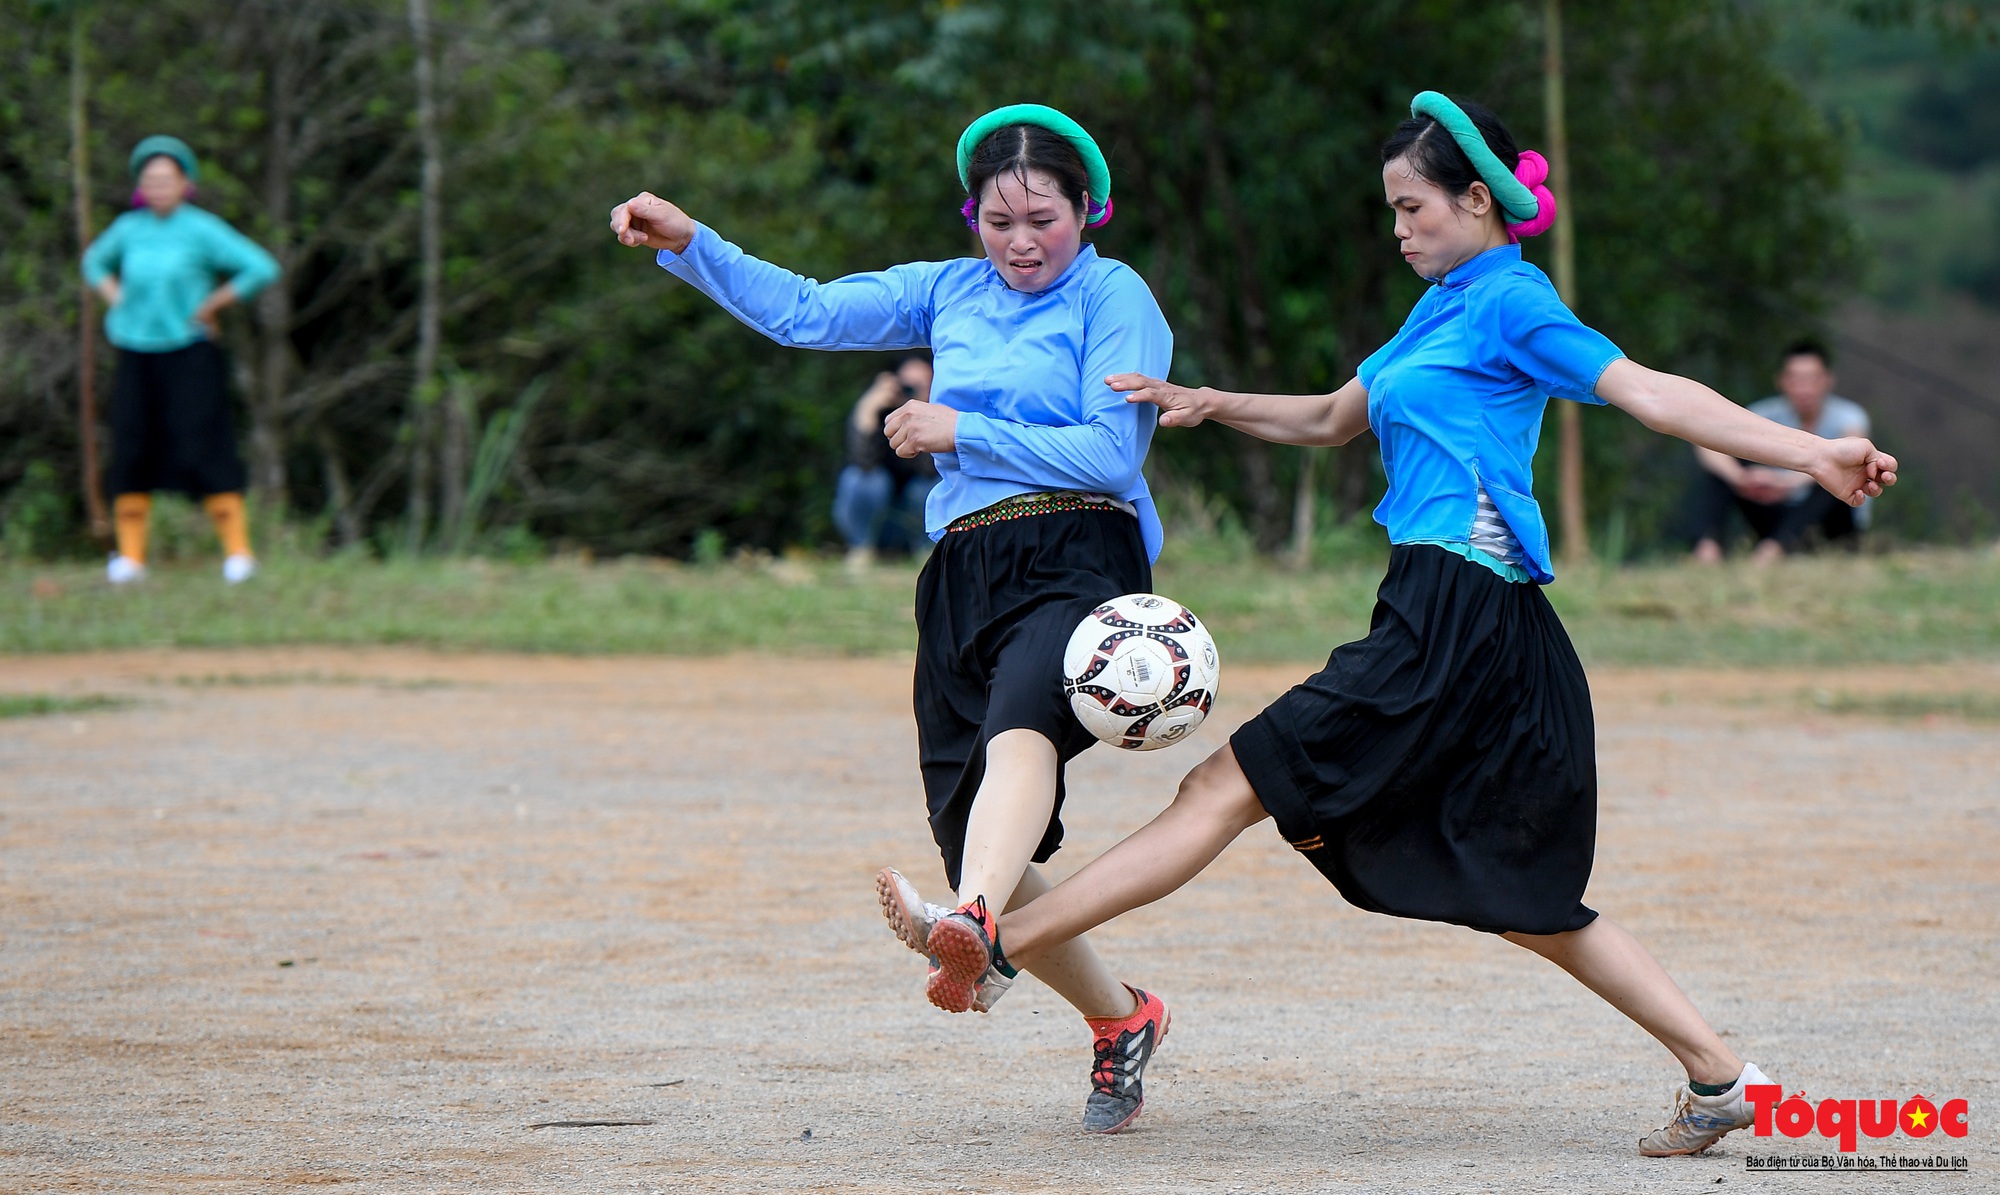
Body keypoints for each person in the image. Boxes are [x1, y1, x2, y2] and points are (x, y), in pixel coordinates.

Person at [901, 93, 1897, 1155]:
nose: (1399, 229)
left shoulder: (1512, 303)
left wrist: (1808, 455)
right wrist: (1207, 398)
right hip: (1470, 622)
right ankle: (1721, 1075)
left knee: (1220, 787)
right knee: (1521, 896)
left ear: (1478, 200)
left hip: (1457, 615)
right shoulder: (1439, 309)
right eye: (1391, 210)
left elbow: (1649, 393)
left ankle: (998, 943)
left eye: (1413, 206)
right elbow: (1335, 416)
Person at [610, 104, 1176, 1134]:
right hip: (962, 572)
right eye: (996, 219)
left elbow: (1111, 456)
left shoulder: (1114, 294)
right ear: (973, 218)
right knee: (969, 827)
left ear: (1087, 211)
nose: (1017, 240)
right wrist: (694, 243)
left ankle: (969, 923)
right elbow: (804, 312)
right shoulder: (947, 289)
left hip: (1080, 552)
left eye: (1041, 217)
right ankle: (1118, 1015)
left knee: (1016, 725)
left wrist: (965, 428)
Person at [80, 135, 280, 585]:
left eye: (166, 179)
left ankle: (238, 555)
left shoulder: (201, 229)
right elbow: (94, 261)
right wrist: (116, 297)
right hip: (136, 351)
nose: (158, 187)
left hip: (189, 352)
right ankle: (130, 560)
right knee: (131, 449)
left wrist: (214, 304)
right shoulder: (129, 229)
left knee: (205, 446)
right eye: (150, 180)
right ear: (139, 186)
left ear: (184, 182)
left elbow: (261, 267)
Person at [1689, 340, 1872, 563]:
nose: (1804, 388)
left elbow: (1852, 459)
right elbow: (1707, 440)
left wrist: (1787, 482)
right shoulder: (1765, 413)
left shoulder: (1849, 416)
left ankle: (1773, 551)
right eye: (1795, 379)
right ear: (1782, 381)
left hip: (1831, 523)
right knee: (1722, 469)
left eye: (1811, 379)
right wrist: (1742, 478)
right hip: (1776, 514)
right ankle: (1707, 549)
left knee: (1833, 480)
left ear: (1827, 381)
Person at [832, 355, 937, 569]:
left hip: (914, 519)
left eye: (920, 385)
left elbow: (930, 472)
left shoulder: (939, 416)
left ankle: (928, 551)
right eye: (907, 386)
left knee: (929, 485)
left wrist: (926, 411)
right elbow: (861, 464)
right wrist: (868, 408)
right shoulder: (877, 416)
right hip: (879, 519)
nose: (911, 393)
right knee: (863, 478)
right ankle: (861, 549)